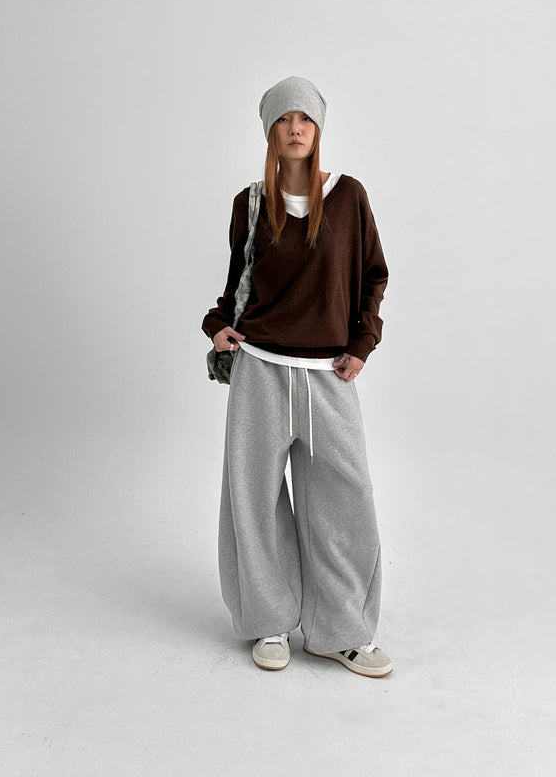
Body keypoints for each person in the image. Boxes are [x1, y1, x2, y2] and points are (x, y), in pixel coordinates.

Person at [202, 75, 391, 678]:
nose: (295, 128)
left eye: (305, 118)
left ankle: (341, 631)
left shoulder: (348, 196)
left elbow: (374, 275)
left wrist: (362, 343)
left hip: (328, 374)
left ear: (319, 128)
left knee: (345, 501)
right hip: (260, 368)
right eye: (284, 118)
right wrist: (217, 326)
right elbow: (238, 285)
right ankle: (270, 622)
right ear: (270, 131)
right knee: (253, 500)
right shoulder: (251, 203)